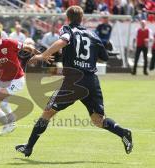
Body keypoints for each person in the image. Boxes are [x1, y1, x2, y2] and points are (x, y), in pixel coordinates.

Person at [15, 6, 133, 157]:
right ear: (82, 18)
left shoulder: (67, 29)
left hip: (73, 80)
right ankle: (123, 133)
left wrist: (42, 55)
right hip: (91, 80)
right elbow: (104, 57)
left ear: (68, 18)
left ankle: (29, 147)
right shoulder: (93, 34)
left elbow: (64, 40)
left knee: (47, 112)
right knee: (98, 119)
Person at [0, 24, 40, 135]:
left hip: (17, 79)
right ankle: (7, 125)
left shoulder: (9, 43)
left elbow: (26, 47)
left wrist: (42, 55)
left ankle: (11, 123)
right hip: (2, 80)